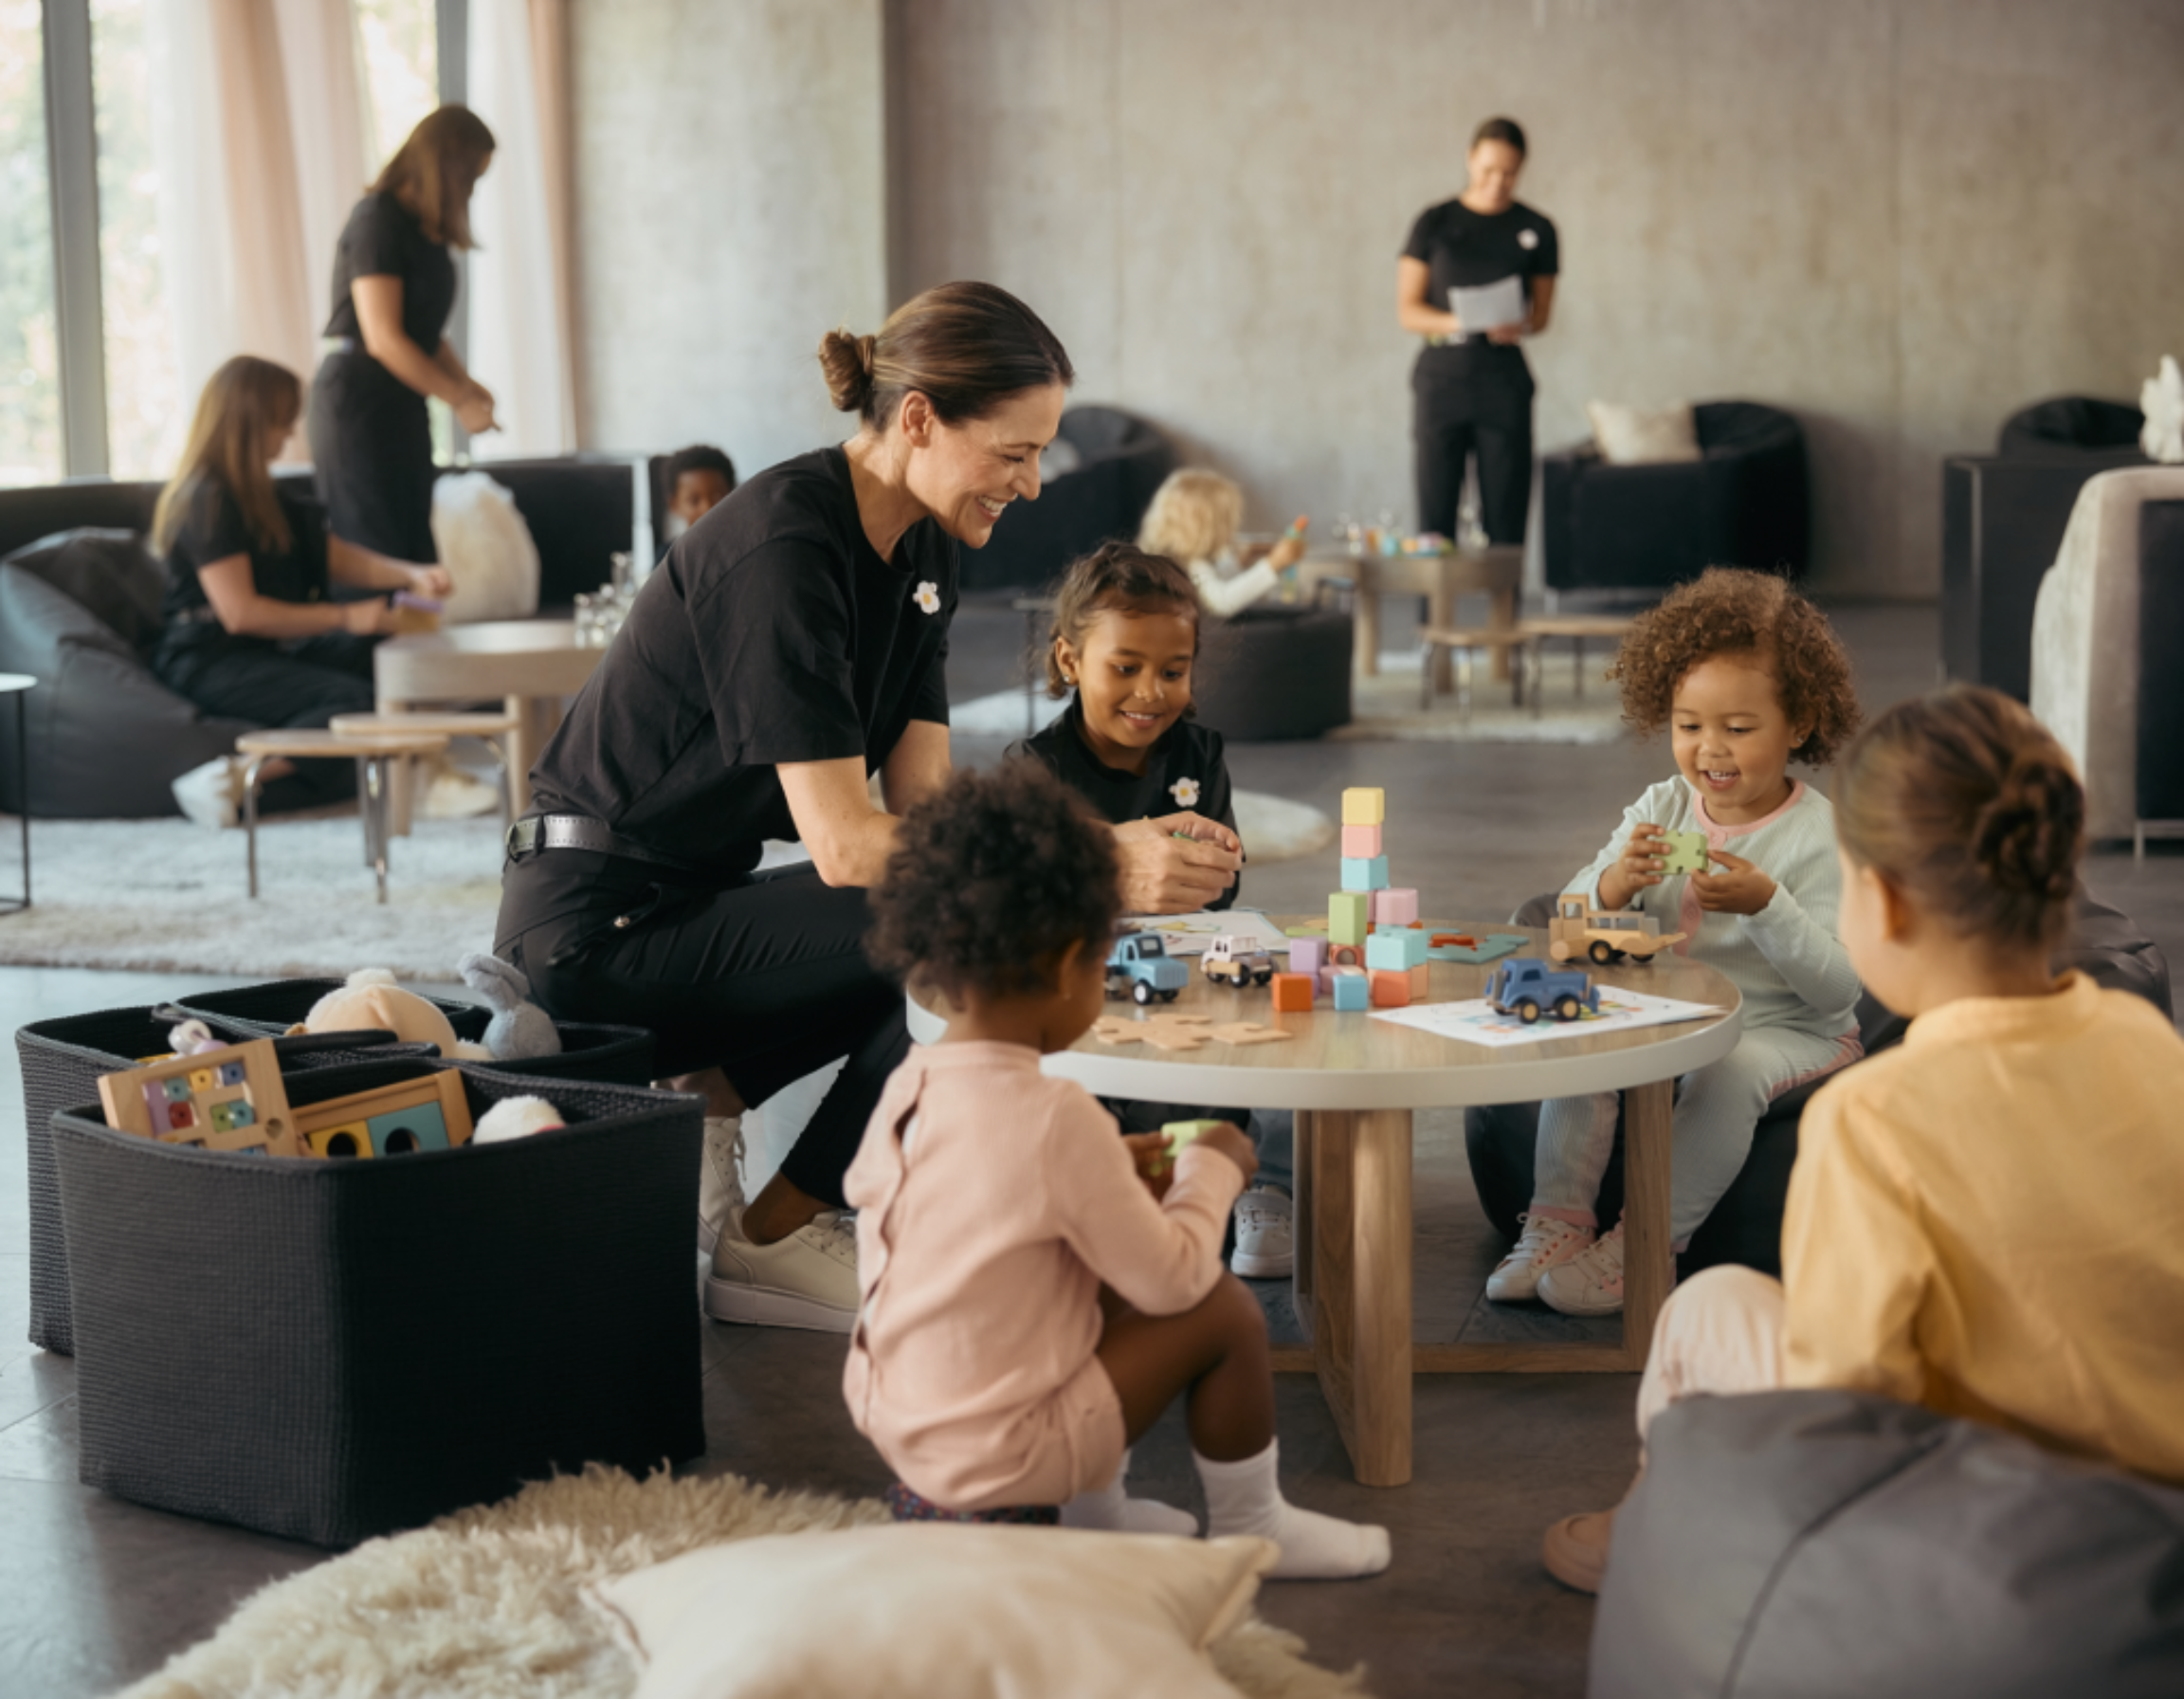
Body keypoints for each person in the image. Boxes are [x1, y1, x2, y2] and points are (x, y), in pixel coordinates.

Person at [493, 282, 1244, 1335]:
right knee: (966, 921)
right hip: (586, 935)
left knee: (963, 907)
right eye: (1015, 453)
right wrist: (1096, 860)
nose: (1031, 486)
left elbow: (925, 817)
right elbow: (849, 847)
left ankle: (723, 1143)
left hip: (688, 908)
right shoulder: (785, 550)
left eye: (1041, 455)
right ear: (923, 418)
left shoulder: (925, 548)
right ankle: (771, 1238)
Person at [1541, 685, 2184, 1595]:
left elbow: (1847, 1393)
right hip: (2158, 1477)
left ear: (1878, 903)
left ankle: (1658, 1527)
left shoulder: (1876, 1113)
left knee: (1705, 1305)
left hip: (1993, 1504)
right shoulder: (2150, 1046)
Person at [846, 761, 1391, 1579]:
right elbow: (1173, 1282)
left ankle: (1093, 1515)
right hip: (1004, 1454)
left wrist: (1113, 1163)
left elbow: (979, 1201)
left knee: (1074, 1256)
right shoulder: (1054, 1113)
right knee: (1223, 1312)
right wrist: (1213, 1169)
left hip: (905, 1424)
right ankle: (1256, 1526)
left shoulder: (910, 1084)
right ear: (1072, 963)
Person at [1485, 569, 1864, 1316]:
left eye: (1739, 728)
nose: (1709, 750)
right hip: (1671, 1015)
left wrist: (1769, 907)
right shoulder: (1662, 805)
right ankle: (1558, 1221)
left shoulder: (1818, 836)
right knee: (1581, 1025)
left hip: (1783, 1029)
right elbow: (1565, 918)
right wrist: (1615, 886)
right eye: (1689, 726)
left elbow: (1839, 989)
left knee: (1730, 1071)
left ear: (1799, 722)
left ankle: (1645, 1242)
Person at [1010, 541, 1293, 1279]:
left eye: (1173, 671)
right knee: (1108, 1099)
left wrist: (1204, 870)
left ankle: (1259, 1186)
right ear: (1071, 662)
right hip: (1081, 988)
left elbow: (1223, 886)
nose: (1151, 692)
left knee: (1253, 1053)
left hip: (1188, 972)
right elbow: (1020, 889)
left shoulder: (1198, 755)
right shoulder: (1037, 769)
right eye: (1125, 667)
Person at [150, 356, 452, 828]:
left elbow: (334, 556)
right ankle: (234, 777)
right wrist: (348, 617)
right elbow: (240, 613)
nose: (288, 433)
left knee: (383, 658)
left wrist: (410, 574)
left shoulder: (262, 495)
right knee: (354, 703)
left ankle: (405, 768)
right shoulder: (206, 499)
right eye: (280, 421)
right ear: (250, 421)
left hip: (264, 653)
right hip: (207, 660)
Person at [309, 105, 499, 566]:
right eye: (470, 175)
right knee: (378, 552)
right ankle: (371, 641)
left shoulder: (424, 233)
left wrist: (468, 386)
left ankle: (414, 638)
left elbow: (426, 334)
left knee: (416, 556)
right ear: (447, 165)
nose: (472, 189)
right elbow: (385, 338)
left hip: (402, 405)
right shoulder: (377, 220)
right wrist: (458, 398)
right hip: (358, 407)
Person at [1397, 116, 1558, 546]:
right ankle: (1433, 613)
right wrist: (1460, 320)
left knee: (1506, 509)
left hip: (1503, 381)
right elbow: (1409, 311)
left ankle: (1504, 612)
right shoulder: (1433, 223)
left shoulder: (1538, 229)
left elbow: (1541, 315)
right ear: (1470, 160)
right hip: (1442, 379)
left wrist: (1519, 324)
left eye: (1508, 173)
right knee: (1435, 514)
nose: (1497, 181)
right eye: (1488, 170)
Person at [1136, 468, 1304, 618]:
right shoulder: (1187, 564)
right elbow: (1222, 603)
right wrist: (1273, 564)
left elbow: (1211, 586)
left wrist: (1241, 561)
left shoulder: (1174, 559)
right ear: (1204, 528)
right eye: (1226, 524)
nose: (1232, 531)